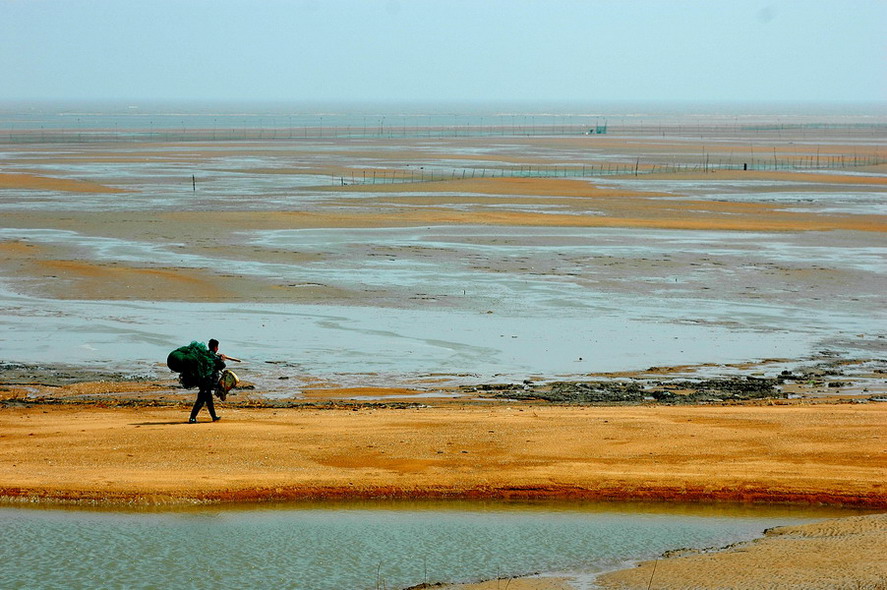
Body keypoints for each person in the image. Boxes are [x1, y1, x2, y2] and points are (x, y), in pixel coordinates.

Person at [188, 338, 227, 423]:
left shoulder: (206, 355)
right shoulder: (213, 357)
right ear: (216, 347)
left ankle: (214, 417)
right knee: (201, 400)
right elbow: (222, 366)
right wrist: (222, 359)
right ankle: (192, 418)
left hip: (202, 381)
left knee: (209, 400)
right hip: (207, 382)